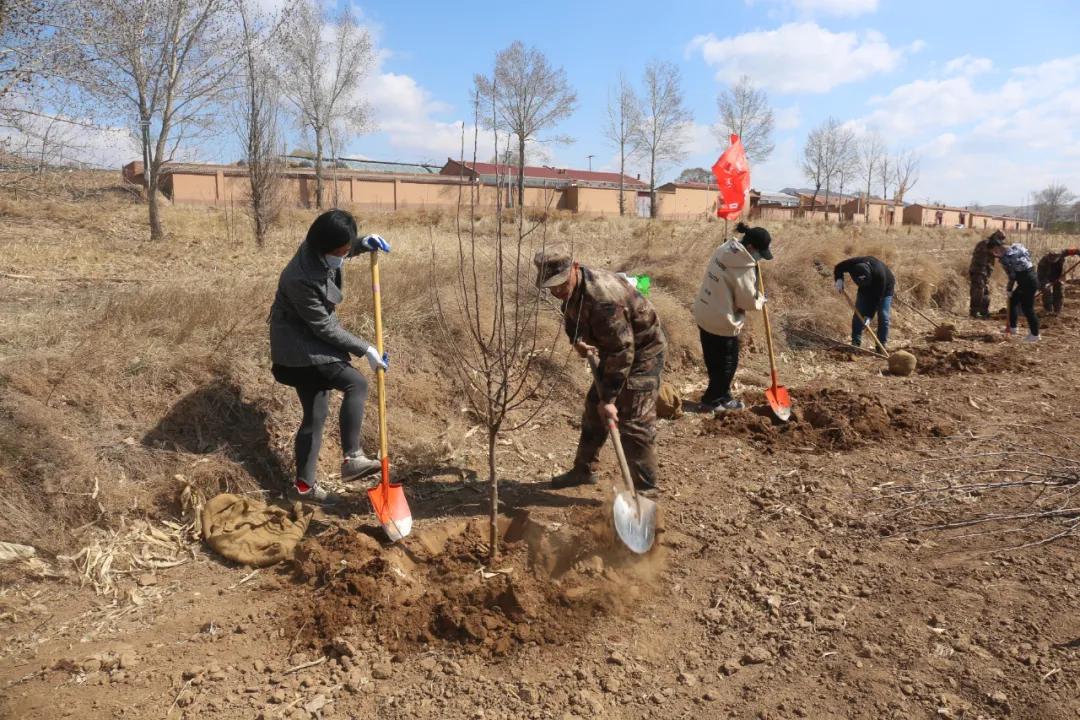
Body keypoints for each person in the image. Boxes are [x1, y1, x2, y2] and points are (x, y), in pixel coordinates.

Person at [269, 209, 391, 502]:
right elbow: (324, 326)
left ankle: (304, 488)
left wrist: (363, 243)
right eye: (341, 251)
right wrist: (366, 349)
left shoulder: (320, 250)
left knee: (316, 414)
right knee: (356, 384)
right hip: (297, 349)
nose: (343, 256)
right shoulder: (299, 277)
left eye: (347, 250)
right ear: (324, 248)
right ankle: (352, 458)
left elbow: (338, 250)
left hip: (307, 342)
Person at [534, 248, 666, 496]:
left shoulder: (604, 300)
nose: (557, 291)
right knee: (594, 408)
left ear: (575, 267)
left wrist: (610, 400)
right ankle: (584, 470)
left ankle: (646, 494)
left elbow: (623, 351)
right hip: (615, 349)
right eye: (551, 286)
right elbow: (570, 310)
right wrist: (576, 340)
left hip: (642, 351)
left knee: (635, 422)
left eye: (560, 283)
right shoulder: (574, 288)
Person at [691, 221, 772, 412]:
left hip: (704, 312)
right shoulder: (744, 267)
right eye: (760, 253)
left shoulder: (724, 248)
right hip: (722, 319)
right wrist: (760, 300)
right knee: (728, 363)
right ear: (751, 247)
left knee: (713, 359)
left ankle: (724, 396)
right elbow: (747, 302)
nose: (760, 258)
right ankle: (711, 399)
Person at [833, 256, 895, 349]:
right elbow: (838, 267)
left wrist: (869, 316)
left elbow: (876, 299)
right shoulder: (851, 265)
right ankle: (856, 342)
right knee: (859, 312)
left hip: (885, 289)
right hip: (864, 288)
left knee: (883, 314)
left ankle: (881, 345)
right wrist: (839, 279)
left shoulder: (879, 274)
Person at [987, 234, 1039, 342]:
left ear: (996, 248)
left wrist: (1009, 289)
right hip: (1031, 276)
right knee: (1013, 300)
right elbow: (1028, 257)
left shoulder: (1006, 258)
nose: (994, 254)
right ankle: (1013, 328)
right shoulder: (1018, 246)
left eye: (993, 251)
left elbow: (1012, 276)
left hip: (1027, 281)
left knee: (1027, 308)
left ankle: (1035, 334)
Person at [969, 230, 1001, 318]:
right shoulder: (984, 244)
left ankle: (984, 312)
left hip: (985, 273)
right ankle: (974, 312)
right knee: (978, 291)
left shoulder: (992, 245)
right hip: (978, 271)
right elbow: (992, 252)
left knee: (986, 293)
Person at [1037, 248, 1080, 314]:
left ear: (1059, 256)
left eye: (1054, 259)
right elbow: (1040, 276)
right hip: (1047, 277)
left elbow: (1077, 250)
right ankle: (1048, 310)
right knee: (1046, 292)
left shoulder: (1063, 252)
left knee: (1059, 293)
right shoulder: (1043, 262)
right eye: (1051, 259)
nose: (1052, 260)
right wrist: (1045, 283)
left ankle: (1057, 311)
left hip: (1060, 276)